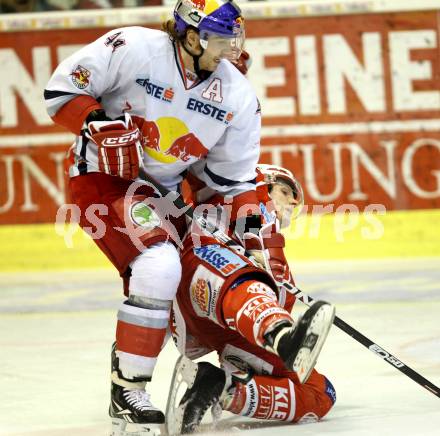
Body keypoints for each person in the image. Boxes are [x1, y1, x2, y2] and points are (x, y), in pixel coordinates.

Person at [44, 0, 261, 434]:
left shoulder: (236, 92)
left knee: (184, 288)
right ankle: (129, 389)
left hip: (163, 194)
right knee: (159, 264)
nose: (230, 50)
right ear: (193, 35)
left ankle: (132, 359)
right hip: (102, 178)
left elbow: (231, 180)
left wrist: (249, 229)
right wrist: (94, 120)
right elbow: (62, 90)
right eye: (221, 39)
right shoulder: (135, 47)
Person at [167, 165, 336, 434]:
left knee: (320, 391)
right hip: (222, 289)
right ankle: (273, 341)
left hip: (198, 317)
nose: (293, 201)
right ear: (264, 183)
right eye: (285, 190)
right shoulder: (255, 202)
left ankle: (223, 387)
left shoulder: (206, 208)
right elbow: (271, 260)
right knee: (323, 394)